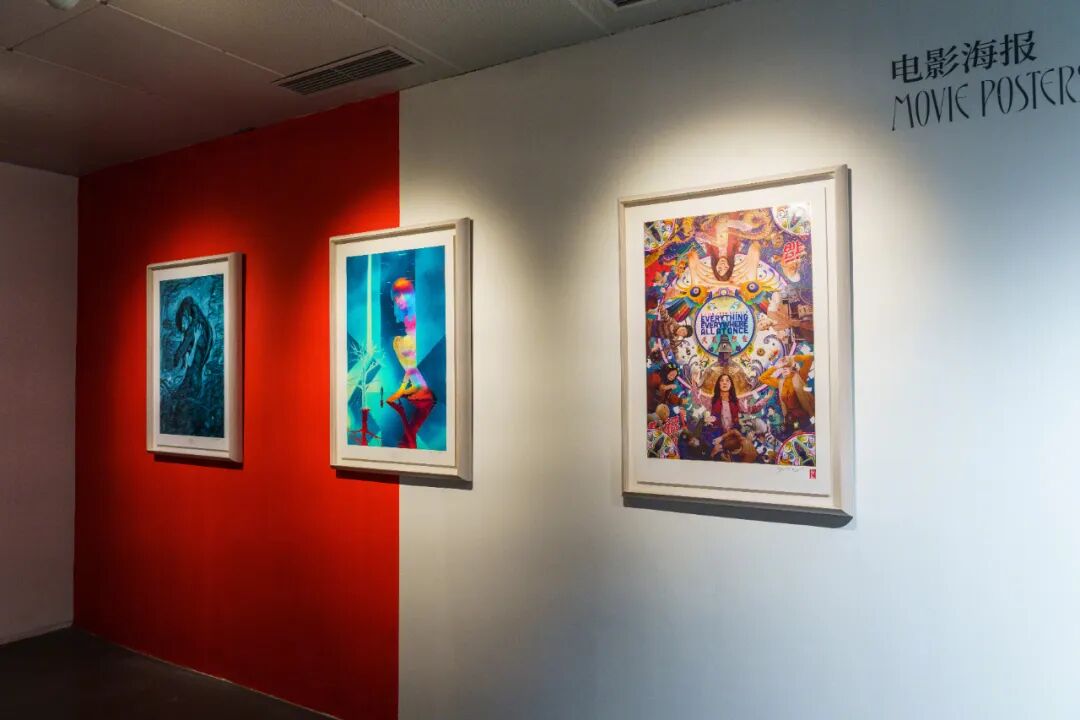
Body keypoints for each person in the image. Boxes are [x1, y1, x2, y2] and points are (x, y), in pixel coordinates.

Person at [386, 277, 436, 448]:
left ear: (411, 294)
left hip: (423, 358)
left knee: (403, 344)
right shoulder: (407, 318)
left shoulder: (419, 315)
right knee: (398, 342)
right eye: (396, 297)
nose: (399, 300)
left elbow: (417, 350)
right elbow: (409, 361)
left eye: (402, 295)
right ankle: (416, 385)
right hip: (414, 366)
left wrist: (401, 390)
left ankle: (419, 386)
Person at [758, 354, 814, 434]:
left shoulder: (800, 376)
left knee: (808, 435)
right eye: (783, 367)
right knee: (797, 435)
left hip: (805, 417)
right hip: (791, 420)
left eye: (787, 366)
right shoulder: (780, 382)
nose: (784, 368)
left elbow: (809, 358)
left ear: (792, 367)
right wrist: (776, 367)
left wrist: (794, 358)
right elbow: (762, 378)